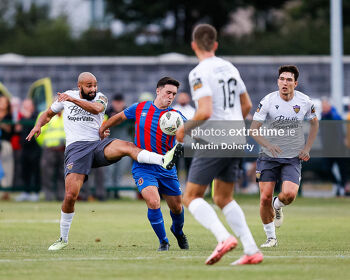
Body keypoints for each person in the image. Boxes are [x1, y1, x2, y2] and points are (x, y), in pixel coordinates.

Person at [26, 72, 182, 251]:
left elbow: (97, 109)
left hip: (97, 145)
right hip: (76, 150)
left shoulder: (100, 97)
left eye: (95, 85)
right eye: (89, 86)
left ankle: (163, 159)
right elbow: (47, 114)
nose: (93, 89)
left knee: (128, 146)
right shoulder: (66, 97)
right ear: (80, 86)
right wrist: (38, 125)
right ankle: (63, 238)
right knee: (70, 196)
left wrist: (71, 100)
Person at [176, 24, 263, 266]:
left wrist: (185, 128)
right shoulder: (230, 67)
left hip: (216, 137)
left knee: (191, 196)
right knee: (223, 197)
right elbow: (247, 106)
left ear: (193, 45)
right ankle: (252, 249)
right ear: (215, 45)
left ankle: (223, 237)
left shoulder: (198, 72)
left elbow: (204, 111)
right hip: (237, 135)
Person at [100, 77, 188, 251]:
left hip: (166, 168)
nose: (170, 97)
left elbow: (191, 129)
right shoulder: (141, 107)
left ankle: (178, 231)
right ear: (158, 91)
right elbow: (119, 117)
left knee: (177, 208)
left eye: (174, 94)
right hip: (143, 167)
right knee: (153, 201)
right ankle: (163, 241)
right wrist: (103, 127)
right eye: (168, 92)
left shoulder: (176, 116)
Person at [250, 65, 319, 248]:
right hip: (268, 156)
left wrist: (307, 148)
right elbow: (254, 130)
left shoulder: (305, 101)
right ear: (278, 81)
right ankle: (271, 238)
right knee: (264, 197)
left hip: (292, 157)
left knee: (289, 195)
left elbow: (314, 124)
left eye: (289, 80)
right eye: (282, 79)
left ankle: (277, 205)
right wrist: (268, 145)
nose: (285, 82)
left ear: (295, 83)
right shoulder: (268, 101)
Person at [36, 111, 65, 201]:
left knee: (64, 174)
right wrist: (45, 145)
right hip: (49, 149)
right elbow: (38, 132)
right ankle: (48, 196)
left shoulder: (68, 114)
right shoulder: (43, 114)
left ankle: (62, 196)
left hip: (64, 149)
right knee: (47, 174)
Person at [16, 99, 41, 202]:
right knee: (24, 170)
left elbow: (37, 125)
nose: (25, 108)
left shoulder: (37, 115)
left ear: (32, 106)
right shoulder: (21, 117)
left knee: (35, 170)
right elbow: (17, 130)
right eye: (24, 105)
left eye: (28, 105)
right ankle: (25, 192)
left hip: (35, 147)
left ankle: (35, 192)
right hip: (24, 147)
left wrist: (28, 117)